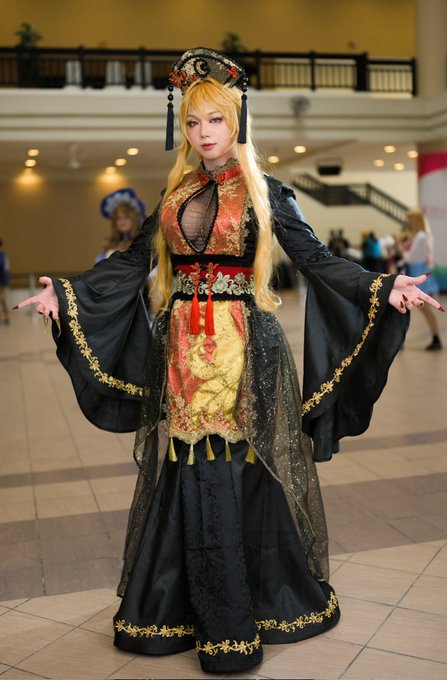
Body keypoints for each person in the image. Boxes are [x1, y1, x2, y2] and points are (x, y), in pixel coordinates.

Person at [14, 48, 444, 674]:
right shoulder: (176, 191)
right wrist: (65, 291)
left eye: (215, 119)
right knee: (187, 462)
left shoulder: (267, 193)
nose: (203, 132)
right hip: (182, 346)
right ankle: (180, 606)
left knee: (233, 463)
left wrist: (382, 285)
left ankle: (235, 619)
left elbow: (317, 259)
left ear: (236, 121)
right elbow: (133, 263)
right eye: (193, 122)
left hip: (244, 345)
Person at [400, 209, 443, 350]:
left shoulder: (420, 237)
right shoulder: (420, 236)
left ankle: (436, 338)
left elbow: (410, 258)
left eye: (409, 219)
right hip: (417, 274)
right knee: (410, 308)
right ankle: (435, 338)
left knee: (423, 309)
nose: (407, 222)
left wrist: (401, 248)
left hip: (418, 275)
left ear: (415, 220)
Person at [96, 188, 146, 261]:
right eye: (119, 218)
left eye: (126, 217)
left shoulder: (142, 243)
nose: (122, 222)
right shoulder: (109, 244)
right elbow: (100, 264)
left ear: (134, 220)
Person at [0, 239, 10, 325]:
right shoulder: (3, 255)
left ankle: (6, 318)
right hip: (4, 281)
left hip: (2, 282)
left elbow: (2, 269)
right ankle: (6, 318)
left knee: (3, 300)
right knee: (3, 301)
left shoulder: (1, 255)